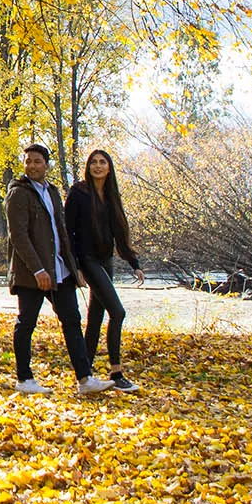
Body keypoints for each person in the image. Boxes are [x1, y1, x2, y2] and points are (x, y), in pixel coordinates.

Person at [5, 142, 109, 395]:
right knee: (26, 323)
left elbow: (61, 232)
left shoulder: (51, 191)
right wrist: (38, 270)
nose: (32, 166)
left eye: (37, 161)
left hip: (59, 270)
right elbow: (18, 236)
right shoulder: (18, 193)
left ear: (46, 165)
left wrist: (74, 268)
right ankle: (24, 379)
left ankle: (85, 379)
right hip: (32, 273)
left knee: (72, 321)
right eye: (28, 161)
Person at [66, 148, 142, 392]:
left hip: (105, 260)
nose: (98, 166)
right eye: (94, 163)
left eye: (103, 162)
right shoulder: (78, 192)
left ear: (109, 168)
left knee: (96, 319)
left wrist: (134, 264)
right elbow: (69, 231)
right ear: (88, 167)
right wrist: (75, 266)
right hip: (87, 260)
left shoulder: (111, 196)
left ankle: (85, 376)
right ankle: (116, 372)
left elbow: (120, 232)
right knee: (118, 312)